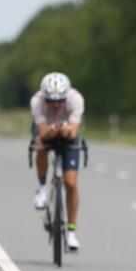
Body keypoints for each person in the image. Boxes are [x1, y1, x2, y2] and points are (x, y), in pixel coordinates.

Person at [30, 72, 85, 251]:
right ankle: (42, 188)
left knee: (70, 183)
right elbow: (42, 133)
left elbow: (74, 132)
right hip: (46, 130)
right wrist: (50, 132)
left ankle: (71, 233)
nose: (55, 105)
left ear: (66, 96)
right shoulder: (37, 101)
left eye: (59, 101)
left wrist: (66, 130)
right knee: (41, 145)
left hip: (68, 133)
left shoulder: (76, 99)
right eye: (50, 101)